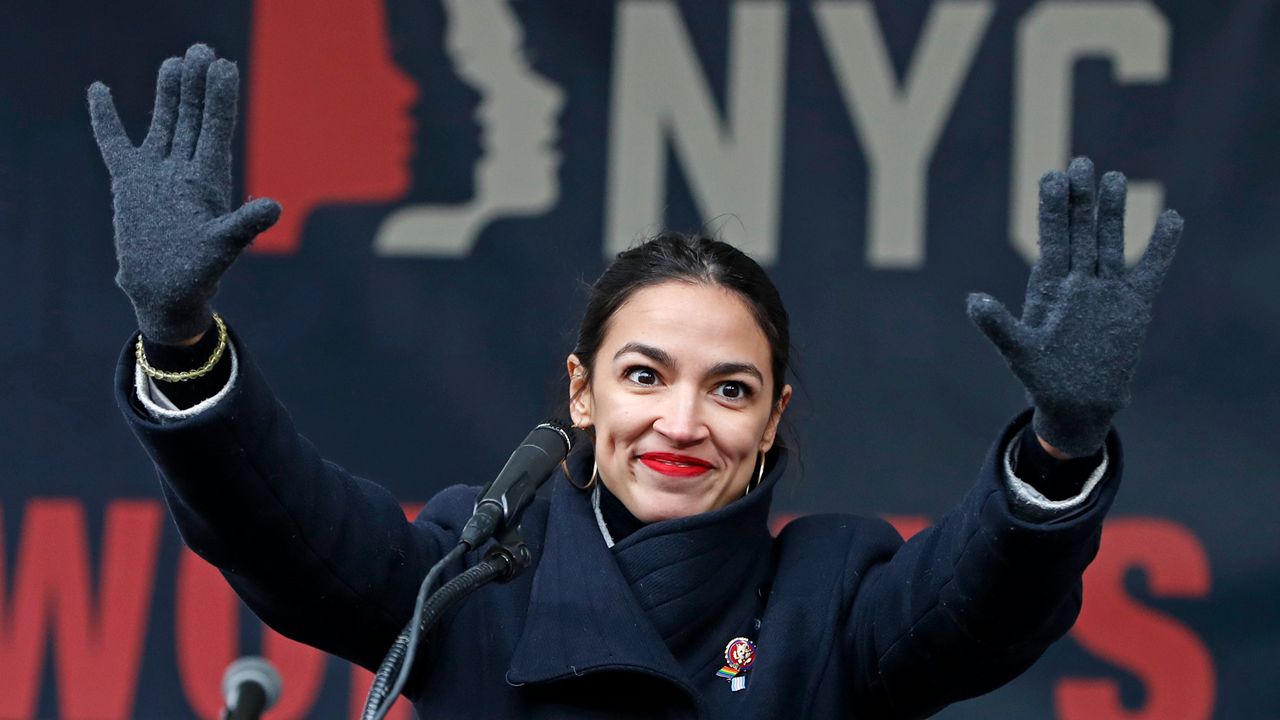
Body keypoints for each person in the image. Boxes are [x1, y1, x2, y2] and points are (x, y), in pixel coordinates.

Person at [88, 45, 1183, 719]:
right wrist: (180, 337)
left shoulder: (832, 594)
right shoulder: (471, 572)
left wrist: (1058, 446)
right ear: (581, 393)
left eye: (730, 389)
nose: (681, 421)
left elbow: (977, 601)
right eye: (645, 374)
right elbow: (282, 522)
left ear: (771, 422)